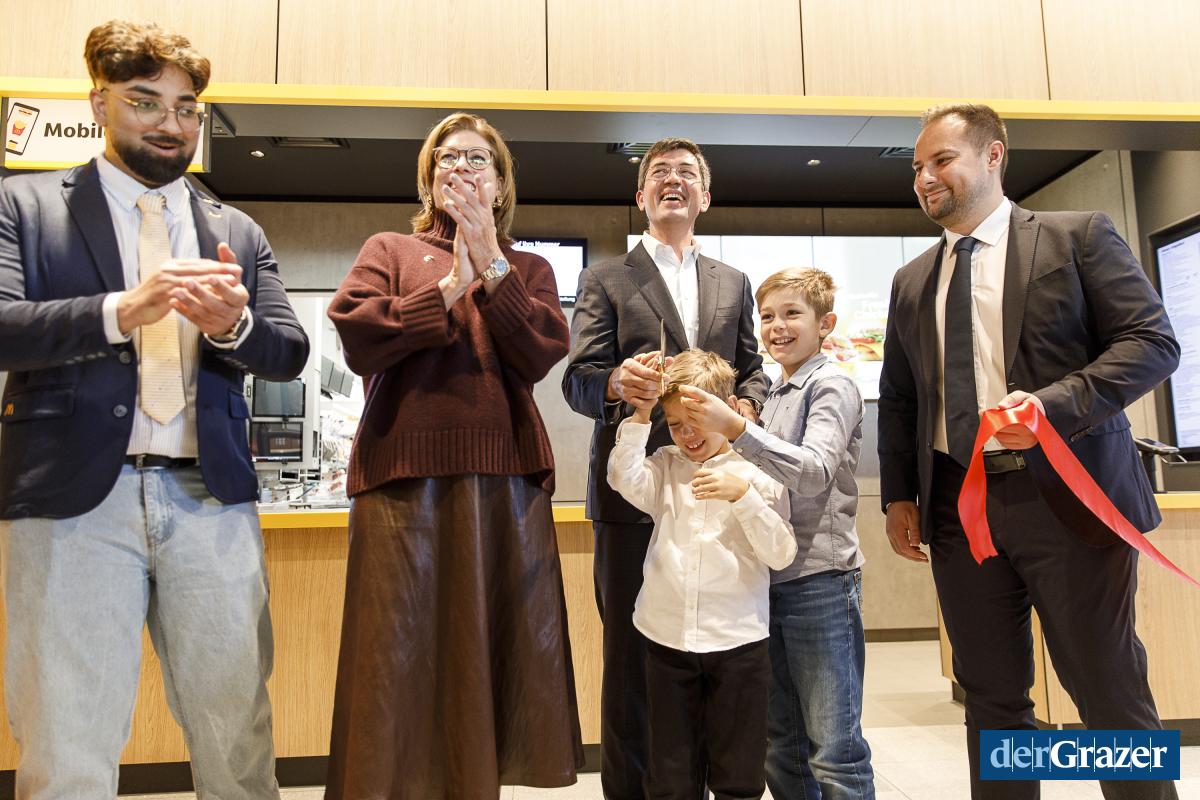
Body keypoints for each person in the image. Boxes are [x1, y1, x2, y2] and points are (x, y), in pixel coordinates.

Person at [0, 19, 309, 799]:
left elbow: (287, 350)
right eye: (146, 102)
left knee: (236, 736)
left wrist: (233, 326)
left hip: (210, 498)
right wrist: (121, 310)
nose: (170, 123)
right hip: (70, 502)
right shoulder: (24, 205)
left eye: (187, 108)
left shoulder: (235, 229)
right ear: (98, 102)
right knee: (66, 738)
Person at [877, 103, 1179, 800]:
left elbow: (1152, 343)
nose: (924, 178)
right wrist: (898, 496)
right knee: (991, 698)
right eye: (917, 168)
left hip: (1069, 501)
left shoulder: (1077, 237)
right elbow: (900, 397)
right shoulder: (911, 280)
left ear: (993, 156)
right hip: (959, 509)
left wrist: (1051, 407)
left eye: (941, 160)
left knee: (1106, 687)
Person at [325, 111, 583, 799]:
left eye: (476, 158)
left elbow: (538, 352)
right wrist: (446, 287)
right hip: (399, 480)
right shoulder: (388, 250)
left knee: (491, 652)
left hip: (504, 481)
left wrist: (490, 264)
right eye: (447, 156)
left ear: (500, 185)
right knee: (394, 660)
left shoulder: (529, 267)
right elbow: (357, 336)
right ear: (428, 178)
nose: (460, 167)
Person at [562, 137, 768, 799]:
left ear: (705, 195)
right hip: (634, 499)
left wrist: (746, 405)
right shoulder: (605, 278)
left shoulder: (733, 281)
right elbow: (578, 381)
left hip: (719, 492)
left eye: (685, 173)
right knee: (632, 667)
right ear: (641, 196)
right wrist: (616, 382)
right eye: (658, 173)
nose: (671, 180)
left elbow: (754, 370)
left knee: (719, 664)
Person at [674, 268, 875, 799]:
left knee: (835, 749)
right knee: (782, 744)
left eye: (792, 314)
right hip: (767, 582)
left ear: (825, 323)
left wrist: (738, 428)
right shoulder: (776, 391)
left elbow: (813, 472)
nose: (777, 327)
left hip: (820, 581)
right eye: (766, 317)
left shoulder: (831, 385)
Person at [607, 348, 795, 800]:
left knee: (738, 773)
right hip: (666, 639)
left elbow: (781, 553)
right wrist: (641, 414)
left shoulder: (758, 471)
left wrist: (743, 497)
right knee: (670, 774)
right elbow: (622, 477)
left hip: (738, 644)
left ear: (727, 409)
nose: (687, 434)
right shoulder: (665, 465)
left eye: (697, 420)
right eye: (675, 424)